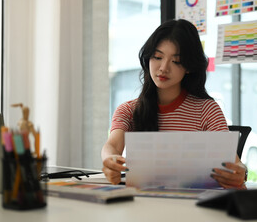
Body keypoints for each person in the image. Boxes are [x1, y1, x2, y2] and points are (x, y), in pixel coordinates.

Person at [101, 19, 247, 189]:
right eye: (157, 57)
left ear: (189, 67)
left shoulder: (207, 110)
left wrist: (241, 172)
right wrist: (109, 160)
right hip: (144, 206)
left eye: (176, 61)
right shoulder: (129, 110)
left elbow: (235, 163)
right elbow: (112, 145)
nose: (163, 68)